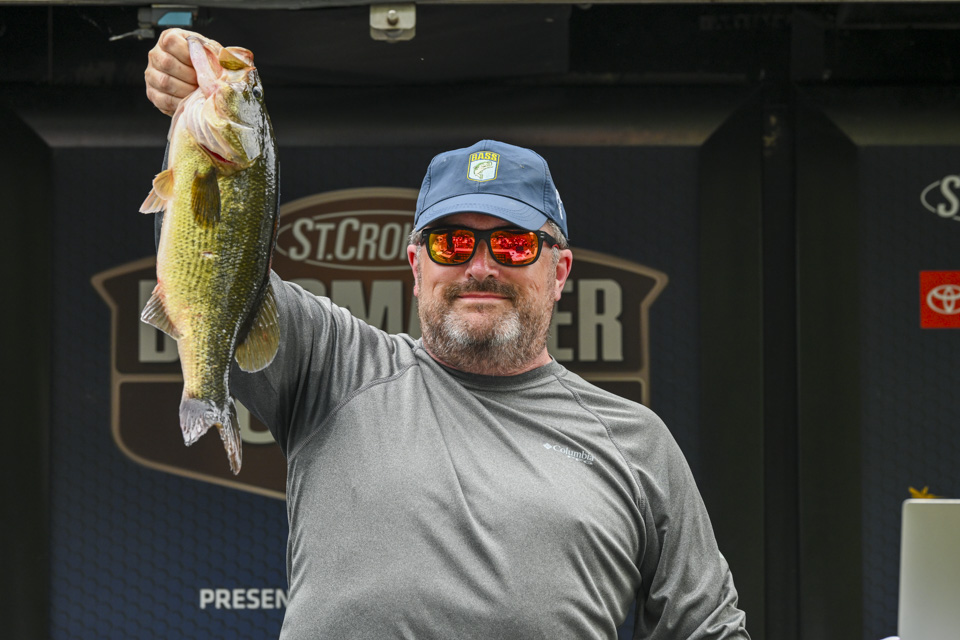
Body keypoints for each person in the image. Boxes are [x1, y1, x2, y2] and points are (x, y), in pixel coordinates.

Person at [144, 29, 751, 640]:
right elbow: (208, 262)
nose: (480, 266)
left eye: (513, 244)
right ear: (416, 265)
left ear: (560, 271)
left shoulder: (636, 443)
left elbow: (711, 628)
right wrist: (193, 91)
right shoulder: (334, 366)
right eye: (452, 242)